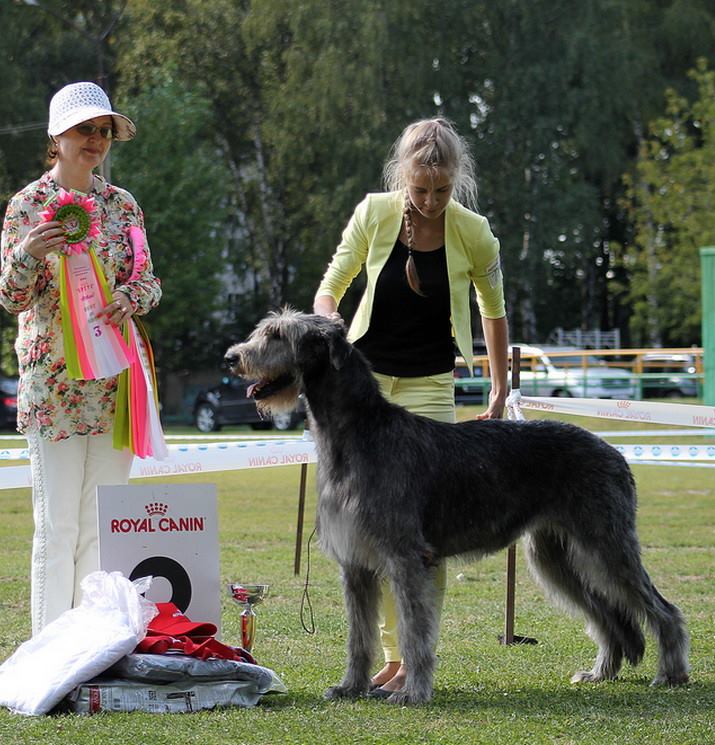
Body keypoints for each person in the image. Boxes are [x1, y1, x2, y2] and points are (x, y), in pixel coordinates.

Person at [313, 117, 508, 697]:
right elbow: (334, 280)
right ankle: (384, 658)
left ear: (456, 183)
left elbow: (491, 310)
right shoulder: (374, 213)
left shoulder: (474, 232)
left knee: (420, 535)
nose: (428, 201)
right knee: (363, 527)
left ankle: (408, 661)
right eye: (420, 189)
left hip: (428, 387)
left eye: (441, 191)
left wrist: (499, 387)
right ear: (403, 177)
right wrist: (328, 324)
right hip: (363, 388)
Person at [0, 82, 162, 635]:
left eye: (103, 131)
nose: (95, 141)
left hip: (115, 385)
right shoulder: (26, 207)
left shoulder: (123, 205)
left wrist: (129, 298)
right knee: (56, 526)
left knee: (100, 526)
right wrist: (26, 255)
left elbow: (148, 281)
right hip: (54, 386)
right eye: (84, 129)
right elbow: (9, 298)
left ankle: (91, 649)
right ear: (55, 137)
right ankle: (48, 655)